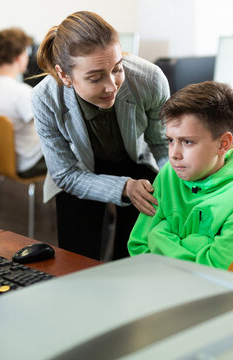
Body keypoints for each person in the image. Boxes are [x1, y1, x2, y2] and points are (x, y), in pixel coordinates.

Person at [31, 11, 170, 260]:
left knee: (135, 250)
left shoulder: (149, 79)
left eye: (117, 69)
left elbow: (160, 143)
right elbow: (65, 174)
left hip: (134, 159)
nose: (111, 86)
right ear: (65, 75)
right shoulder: (45, 99)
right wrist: (123, 187)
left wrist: (176, 180)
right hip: (78, 168)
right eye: (95, 78)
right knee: (78, 256)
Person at [128, 81, 233, 270]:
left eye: (187, 142)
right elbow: (138, 247)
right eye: (170, 140)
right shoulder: (170, 174)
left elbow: (217, 270)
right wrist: (200, 245)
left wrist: (160, 235)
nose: (174, 154)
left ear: (223, 144)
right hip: (157, 287)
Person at [0, 28, 45, 178]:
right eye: (26, 52)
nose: (28, 56)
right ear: (18, 56)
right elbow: (48, 124)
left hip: (0, 160)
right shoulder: (21, 92)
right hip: (27, 161)